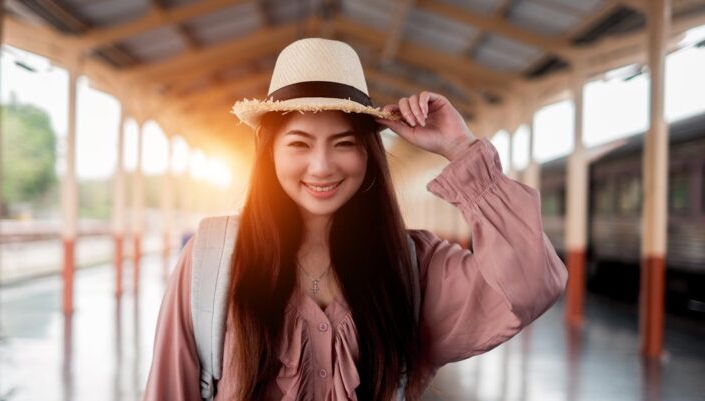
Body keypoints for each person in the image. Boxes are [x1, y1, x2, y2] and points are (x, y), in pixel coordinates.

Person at [142, 38, 567, 401]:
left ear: (368, 154)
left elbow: (531, 283)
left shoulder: (412, 266)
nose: (322, 166)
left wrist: (461, 147)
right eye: (300, 144)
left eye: (343, 143)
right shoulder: (214, 258)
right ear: (269, 150)